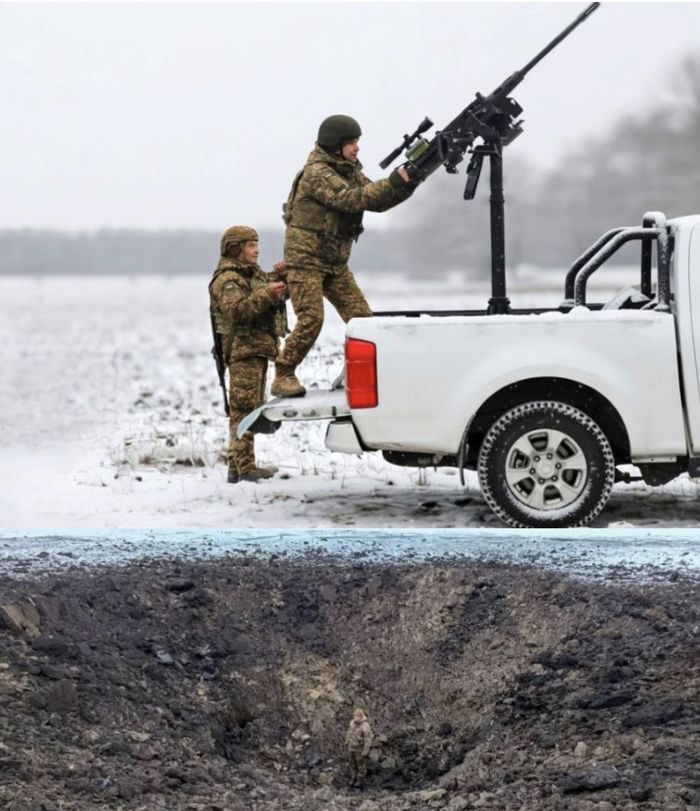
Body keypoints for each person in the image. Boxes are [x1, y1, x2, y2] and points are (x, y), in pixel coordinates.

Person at [271, 114, 419, 398]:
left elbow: (377, 200)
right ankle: (284, 374)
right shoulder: (318, 173)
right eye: (351, 143)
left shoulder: (347, 170)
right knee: (312, 318)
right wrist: (394, 180)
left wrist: (408, 181)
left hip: (334, 262)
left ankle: (361, 371)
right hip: (305, 259)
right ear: (334, 145)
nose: (357, 148)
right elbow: (354, 199)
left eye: (357, 142)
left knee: (362, 319)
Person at [209, 225, 287, 483]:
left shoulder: (249, 275)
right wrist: (267, 293)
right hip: (243, 352)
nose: (257, 250)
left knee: (249, 409)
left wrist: (280, 279)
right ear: (236, 249)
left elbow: (266, 289)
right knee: (243, 411)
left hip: (255, 349)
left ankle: (237, 467)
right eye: (251, 245)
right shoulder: (228, 280)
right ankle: (245, 469)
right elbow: (237, 311)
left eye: (256, 244)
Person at [345, 707, 374, 787]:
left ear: (361, 717)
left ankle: (360, 780)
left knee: (360, 765)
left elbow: (368, 740)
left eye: (357, 716)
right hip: (351, 748)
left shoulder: (365, 726)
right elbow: (349, 732)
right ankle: (353, 777)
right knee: (352, 764)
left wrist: (365, 751)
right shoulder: (352, 723)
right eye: (355, 716)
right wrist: (347, 741)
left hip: (359, 750)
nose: (356, 718)